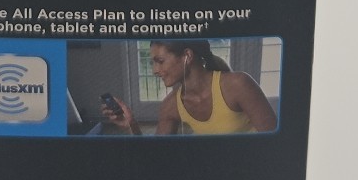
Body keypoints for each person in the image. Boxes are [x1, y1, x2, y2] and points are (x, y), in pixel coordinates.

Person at [102, 40, 277, 136]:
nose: (155, 70)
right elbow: (156, 158)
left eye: (160, 61)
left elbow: (275, 143)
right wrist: (131, 125)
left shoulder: (238, 84)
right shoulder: (171, 106)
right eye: (153, 63)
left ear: (187, 55)